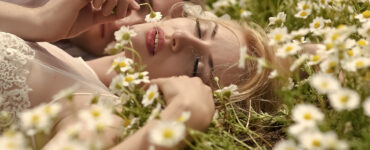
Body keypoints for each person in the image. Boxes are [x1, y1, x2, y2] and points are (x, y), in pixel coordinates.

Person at [0, 1, 281, 150]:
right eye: (199, 30)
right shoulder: (59, 46)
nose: (180, 38)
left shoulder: (102, 115)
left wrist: (178, 121)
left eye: (196, 64)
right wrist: (39, 21)